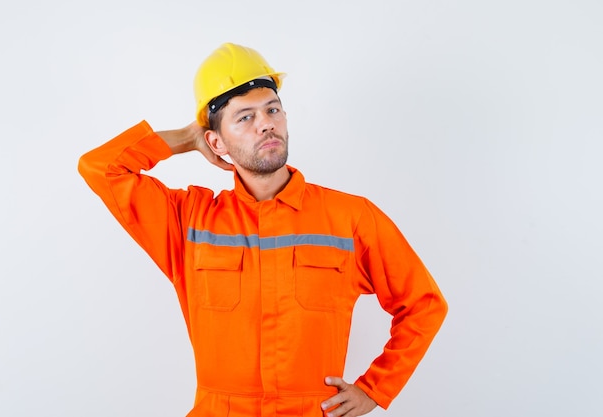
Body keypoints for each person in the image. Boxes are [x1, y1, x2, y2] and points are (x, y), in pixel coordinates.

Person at [78, 42, 447, 417]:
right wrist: (186, 137)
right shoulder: (187, 221)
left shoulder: (351, 218)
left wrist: (375, 388)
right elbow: (100, 168)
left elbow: (423, 304)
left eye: (272, 110)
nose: (266, 123)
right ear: (215, 142)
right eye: (245, 117)